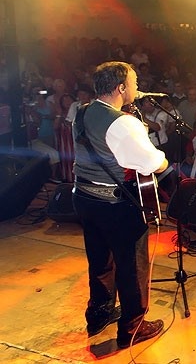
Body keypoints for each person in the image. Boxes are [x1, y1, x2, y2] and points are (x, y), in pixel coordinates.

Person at [71, 61, 167, 348]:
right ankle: (133, 328)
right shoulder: (123, 123)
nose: (138, 87)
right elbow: (152, 163)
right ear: (121, 87)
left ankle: (98, 314)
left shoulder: (83, 111)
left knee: (100, 260)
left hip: (84, 197)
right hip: (114, 204)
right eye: (134, 83)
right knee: (131, 266)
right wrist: (163, 160)